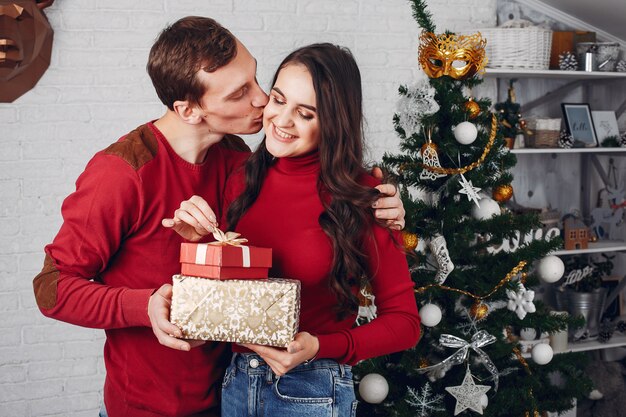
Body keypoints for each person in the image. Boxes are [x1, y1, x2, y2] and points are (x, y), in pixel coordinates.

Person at [32, 17, 406, 417]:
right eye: (241, 93)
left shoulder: (240, 164)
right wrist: (144, 306)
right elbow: (51, 286)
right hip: (151, 407)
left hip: (233, 395)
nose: (263, 101)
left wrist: (386, 200)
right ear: (189, 110)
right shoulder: (123, 173)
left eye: (258, 80)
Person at [165, 43, 421, 417]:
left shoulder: (366, 199)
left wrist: (320, 346)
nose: (282, 120)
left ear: (333, 123)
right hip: (236, 382)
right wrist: (199, 239)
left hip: (312, 389)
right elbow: (231, 292)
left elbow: (406, 324)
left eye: (305, 114)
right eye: (278, 100)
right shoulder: (240, 177)